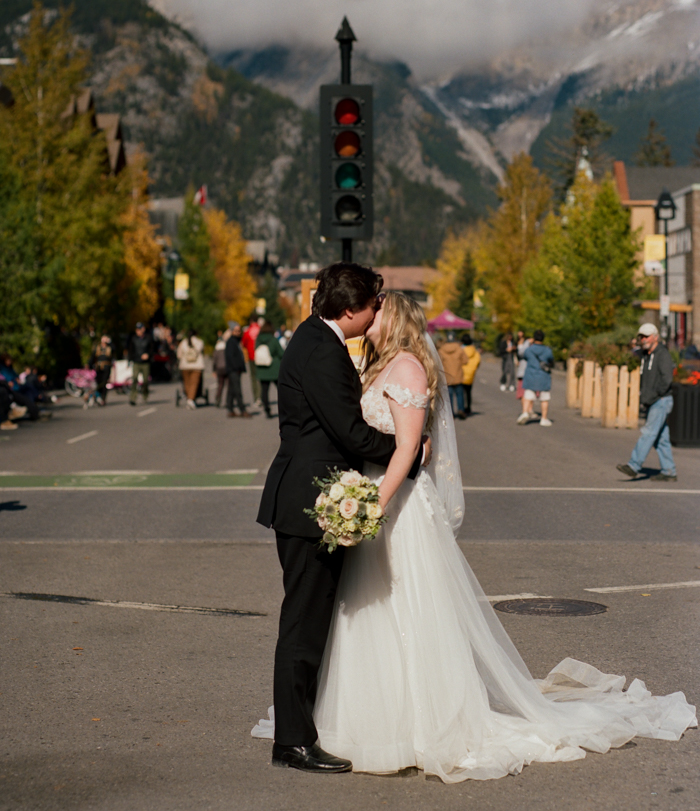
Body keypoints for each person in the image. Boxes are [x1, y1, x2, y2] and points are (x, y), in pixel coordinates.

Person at [253, 292, 696, 780]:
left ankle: (416, 723)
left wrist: (374, 508)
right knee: (363, 615)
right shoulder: (376, 366)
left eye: (378, 311)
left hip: (395, 508)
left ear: (392, 318)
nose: (370, 318)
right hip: (370, 496)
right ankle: (357, 717)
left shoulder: (408, 369)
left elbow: (406, 450)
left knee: (405, 610)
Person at [256, 263, 428, 774]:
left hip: (307, 496)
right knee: (304, 623)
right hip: (311, 502)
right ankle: (292, 741)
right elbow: (351, 434)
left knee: (308, 619)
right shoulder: (323, 352)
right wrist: (409, 453)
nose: (378, 311)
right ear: (350, 310)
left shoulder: (314, 338)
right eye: (373, 304)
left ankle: (300, 727)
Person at [617, 323, 677, 481]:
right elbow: (632, 353)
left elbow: (667, 379)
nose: (644, 339)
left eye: (647, 336)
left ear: (656, 337)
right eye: (641, 336)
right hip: (654, 400)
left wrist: (654, 395)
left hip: (661, 400)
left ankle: (634, 465)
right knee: (661, 439)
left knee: (649, 433)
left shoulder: (662, 354)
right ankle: (669, 471)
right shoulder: (645, 354)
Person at [517, 329, 554, 426]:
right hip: (543, 376)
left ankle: (525, 412)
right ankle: (544, 418)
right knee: (544, 398)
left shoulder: (529, 350)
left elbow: (523, 356)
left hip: (530, 375)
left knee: (528, 396)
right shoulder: (547, 350)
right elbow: (551, 360)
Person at [254, 320, 285, 419]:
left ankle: (267, 409)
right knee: (281, 390)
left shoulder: (258, 339)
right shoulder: (273, 339)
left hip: (262, 369)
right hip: (274, 369)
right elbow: (281, 353)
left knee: (264, 391)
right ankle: (284, 409)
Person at [437, 332, 466, 419]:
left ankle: (451, 413)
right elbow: (465, 360)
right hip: (458, 375)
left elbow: (439, 363)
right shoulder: (459, 349)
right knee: (460, 394)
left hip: (448, 377)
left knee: (449, 397)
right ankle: (461, 409)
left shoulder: (441, 350)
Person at [225, 324, 250, 418]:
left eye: (239, 331)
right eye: (236, 331)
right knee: (237, 390)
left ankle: (230, 408)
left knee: (231, 390)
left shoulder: (236, 341)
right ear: (232, 331)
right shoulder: (231, 342)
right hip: (233, 370)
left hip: (235, 370)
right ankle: (242, 409)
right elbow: (231, 357)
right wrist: (237, 368)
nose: (238, 333)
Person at [176, 329, 205, 410]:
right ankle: (191, 400)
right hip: (197, 366)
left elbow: (179, 355)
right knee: (194, 384)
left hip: (185, 366)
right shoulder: (199, 342)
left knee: (187, 384)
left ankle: (189, 398)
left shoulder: (183, 343)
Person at [128, 322, 153, 405]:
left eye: (139, 329)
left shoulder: (148, 338)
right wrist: (130, 360)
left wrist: (148, 355)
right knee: (134, 379)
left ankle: (145, 394)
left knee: (145, 381)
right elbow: (130, 350)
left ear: (143, 329)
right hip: (136, 362)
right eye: (137, 329)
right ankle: (133, 398)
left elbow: (152, 349)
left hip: (145, 363)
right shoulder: (133, 339)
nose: (138, 331)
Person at [241, 316, 262, 407]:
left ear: (250, 321)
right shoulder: (261, 330)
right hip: (261, 357)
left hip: (251, 356)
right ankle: (262, 397)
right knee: (261, 378)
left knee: (253, 378)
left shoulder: (248, 331)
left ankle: (256, 398)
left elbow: (244, 343)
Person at [89, 335, 113, 406]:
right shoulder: (98, 347)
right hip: (98, 368)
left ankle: (103, 399)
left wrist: (109, 342)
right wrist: (89, 364)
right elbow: (93, 356)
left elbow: (114, 349)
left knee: (104, 384)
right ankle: (98, 398)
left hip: (106, 368)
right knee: (98, 383)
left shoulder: (110, 347)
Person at [460, 333, 480, 416]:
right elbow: (478, 361)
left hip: (461, 374)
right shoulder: (474, 351)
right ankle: (468, 408)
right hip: (470, 375)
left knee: (460, 393)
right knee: (468, 393)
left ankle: (461, 409)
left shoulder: (460, 350)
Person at [212, 330, 229, 407]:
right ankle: (228, 400)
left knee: (220, 385)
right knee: (228, 385)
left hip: (219, 369)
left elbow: (214, 361)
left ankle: (218, 399)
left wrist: (214, 370)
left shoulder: (216, 350)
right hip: (227, 368)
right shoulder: (226, 349)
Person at [515, 330, 530, 400]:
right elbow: (517, 353)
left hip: (525, 364)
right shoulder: (517, 340)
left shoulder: (526, 342)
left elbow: (522, 352)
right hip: (520, 363)